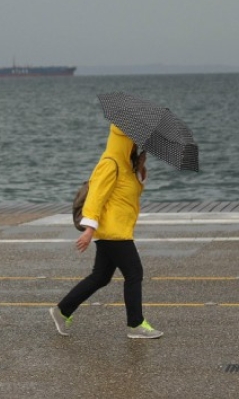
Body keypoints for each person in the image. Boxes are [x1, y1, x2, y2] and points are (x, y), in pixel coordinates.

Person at [49, 124, 162, 339]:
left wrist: (140, 171)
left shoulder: (126, 166)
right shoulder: (110, 163)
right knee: (134, 273)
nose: (137, 144)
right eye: (135, 140)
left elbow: (127, 195)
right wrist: (89, 229)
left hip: (117, 229)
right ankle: (135, 325)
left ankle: (62, 310)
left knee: (101, 276)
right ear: (123, 139)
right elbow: (96, 197)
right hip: (112, 232)